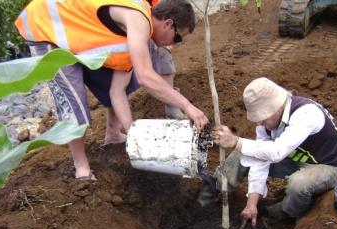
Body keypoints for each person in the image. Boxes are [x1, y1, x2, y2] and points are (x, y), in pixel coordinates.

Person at [15, 0, 208, 180]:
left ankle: (113, 134)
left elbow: (117, 92)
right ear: (168, 24)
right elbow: (146, 76)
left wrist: (133, 135)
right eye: (177, 38)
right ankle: (81, 167)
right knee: (74, 104)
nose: (172, 44)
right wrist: (187, 106)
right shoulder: (138, 20)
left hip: (77, 35)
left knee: (124, 82)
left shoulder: (135, 34)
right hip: (47, 27)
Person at [198, 77, 337, 228]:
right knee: (243, 154)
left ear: (277, 107)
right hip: (294, 160)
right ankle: (213, 191)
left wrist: (235, 141)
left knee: (299, 183)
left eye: (262, 118)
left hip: (330, 166)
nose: (259, 123)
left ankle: (285, 214)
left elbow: (276, 152)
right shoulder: (266, 124)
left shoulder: (306, 114)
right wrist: (252, 204)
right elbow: (260, 160)